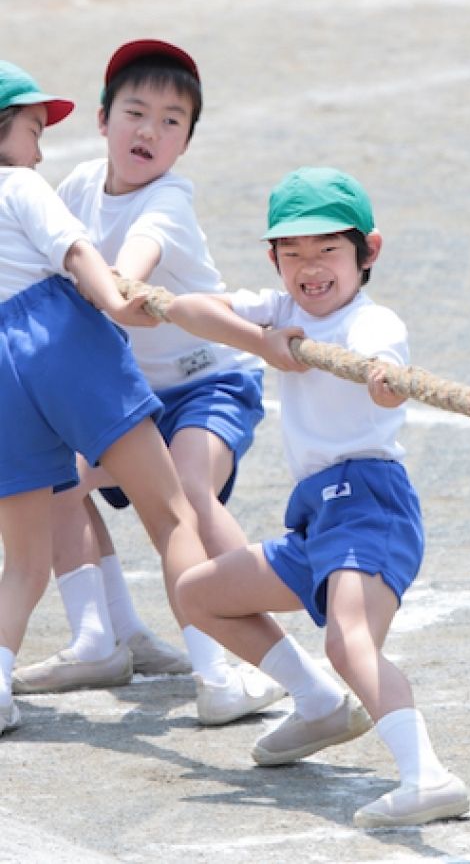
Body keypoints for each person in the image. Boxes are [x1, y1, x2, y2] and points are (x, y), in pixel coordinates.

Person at [11, 41, 301, 726]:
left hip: (208, 386)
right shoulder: (77, 186)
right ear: (103, 119)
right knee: (52, 477)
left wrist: (105, 290)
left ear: (187, 143)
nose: (150, 131)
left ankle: (242, 653)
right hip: (123, 396)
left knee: (189, 491)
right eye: (135, 112)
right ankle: (102, 638)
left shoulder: (170, 198)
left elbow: (130, 264)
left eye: (173, 121)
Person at [173, 167, 470, 827]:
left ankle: (429, 776)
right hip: (319, 517)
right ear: (274, 259)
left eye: (328, 250)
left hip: (369, 502)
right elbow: (190, 306)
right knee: (197, 594)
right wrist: (265, 343)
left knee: (350, 639)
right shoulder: (282, 312)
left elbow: (382, 371)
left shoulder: (373, 321)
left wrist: (384, 380)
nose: (310, 267)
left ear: (369, 252)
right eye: (292, 253)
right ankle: (317, 705)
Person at [0, 58, 205, 738]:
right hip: (58, 339)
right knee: (172, 510)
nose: (40, 146)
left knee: (23, 560)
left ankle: (2, 680)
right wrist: (118, 303)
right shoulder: (23, 184)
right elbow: (76, 252)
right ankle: (223, 670)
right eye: (33, 129)